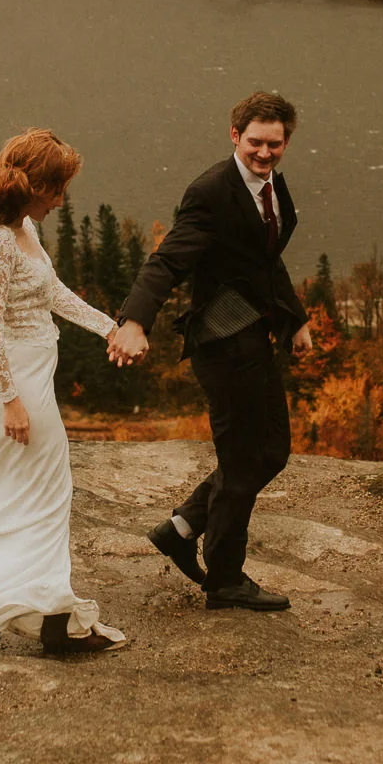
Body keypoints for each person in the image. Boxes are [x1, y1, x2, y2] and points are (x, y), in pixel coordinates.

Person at [108, 91, 311, 612]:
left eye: (275, 144)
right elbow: (166, 261)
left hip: (254, 335)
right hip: (222, 344)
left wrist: (297, 320)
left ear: (286, 141)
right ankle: (224, 579)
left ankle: (182, 528)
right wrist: (133, 321)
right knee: (245, 459)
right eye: (255, 143)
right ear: (234, 136)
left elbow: (265, 262)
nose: (265, 153)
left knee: (271, 452)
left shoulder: (268, 187)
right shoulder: (211, 193)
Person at [0, 128, 126, 654]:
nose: (62, 200)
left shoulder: (23, 229)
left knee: (4, 498)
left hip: (31, 375)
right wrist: (11, 401)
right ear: (35, 184)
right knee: (45, 494)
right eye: (56, 189)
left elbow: (53, 293)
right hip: (11, 385)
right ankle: (53, 620)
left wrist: (110, 327)